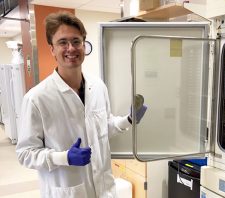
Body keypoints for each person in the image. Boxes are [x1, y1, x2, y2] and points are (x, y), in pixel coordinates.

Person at [16, 11, 147, 198]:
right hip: (68, 192)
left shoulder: (98, 86)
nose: (71, 48)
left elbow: (103, 127)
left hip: (104, 190)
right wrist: (64, 157)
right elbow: (25, 153)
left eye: (76, 41)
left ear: (84, 45)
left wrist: (129, 119)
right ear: (52, 49)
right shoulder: (37, 98)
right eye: (63, 42)